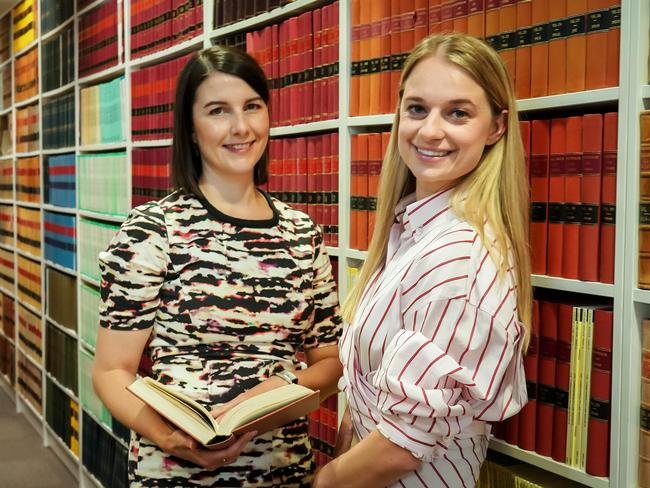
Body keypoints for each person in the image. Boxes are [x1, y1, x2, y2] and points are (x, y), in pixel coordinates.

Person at [92, 45, 342, 487]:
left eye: (252, 107)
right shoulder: (152, 230)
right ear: (190, 127)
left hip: (283, 471)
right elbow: (111, 372)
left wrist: (284, 387)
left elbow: (329, 361)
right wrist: (169, 438)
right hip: (172, 472)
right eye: (217, 111)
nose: (241, 127)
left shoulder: (302, 233)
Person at [313, 33, 531, 488]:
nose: (430, 130)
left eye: (457, 113)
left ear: (496, 128)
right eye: (417, 109)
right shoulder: (409, 231)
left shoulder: (460, 258)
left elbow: (399, 448)